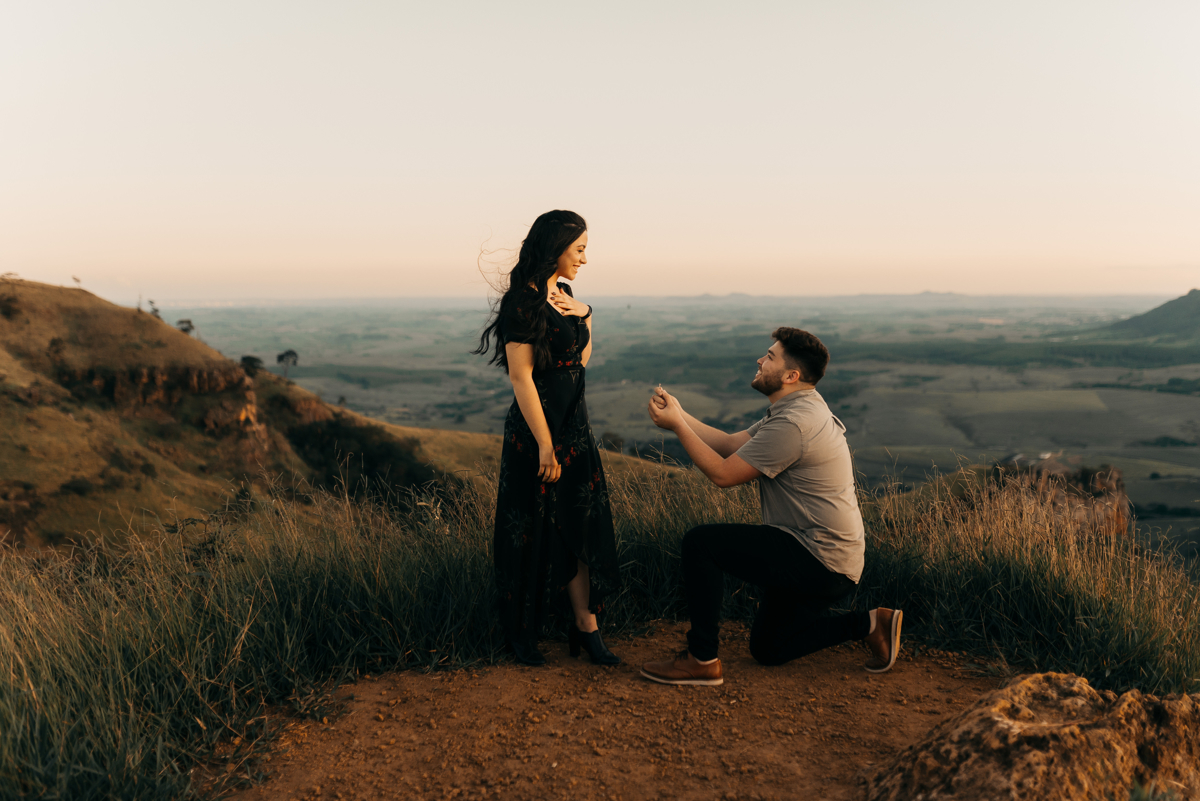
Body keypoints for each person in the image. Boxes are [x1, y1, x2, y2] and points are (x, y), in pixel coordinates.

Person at [639, 328, 901, 686]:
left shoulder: (794, 424)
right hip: (826, 557)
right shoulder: (798, 407)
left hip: (819, 559)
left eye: (770, 356)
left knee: (702, 543)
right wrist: (681, 417)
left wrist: (677, 428)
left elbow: (722, 474)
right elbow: (732, 444)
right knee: (770, 648)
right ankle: (871, 624)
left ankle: (701, 659)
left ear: (791, 375)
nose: (760, 361)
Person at [474, 210, 621, 667]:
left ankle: (586, 627)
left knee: (579, 524)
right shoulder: (521, 302)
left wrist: (587, 314)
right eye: (578, 249)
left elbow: (581, 357)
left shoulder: (566, 294)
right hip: (538, 432)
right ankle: (523, 633)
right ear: (555, 246)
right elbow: (521, 378)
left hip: (575, 428)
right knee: (532, 530)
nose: (583, 259)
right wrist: (544, 444)